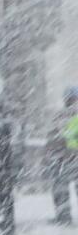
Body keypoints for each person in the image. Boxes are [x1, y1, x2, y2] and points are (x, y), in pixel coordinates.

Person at [50, 86, 78, 225]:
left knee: (60, 189)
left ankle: (63, 217)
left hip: (62, 158)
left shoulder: (59, 115)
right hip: (67, 158)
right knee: (61, 188)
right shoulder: (61, 115)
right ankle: (63, 215)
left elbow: (54, 136)